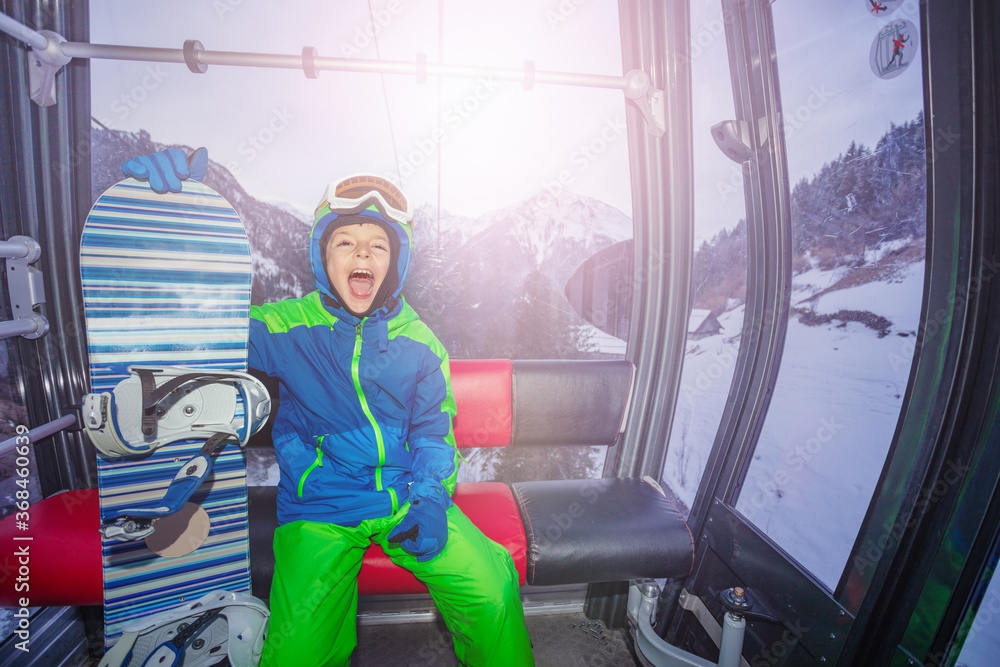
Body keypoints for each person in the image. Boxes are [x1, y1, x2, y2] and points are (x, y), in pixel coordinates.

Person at [121, 149, 535, 666]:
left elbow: (433, 433)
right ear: (324, 257)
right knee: (297, 654)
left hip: (406, 496)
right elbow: (204, 328)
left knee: (491, 586)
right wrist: (169, 225)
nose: (362, 255)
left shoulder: (421, 344)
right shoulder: (288, 327)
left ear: (394, 263)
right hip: (320, 508)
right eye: (346, 242)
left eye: (378, 245)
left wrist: (431, 499)